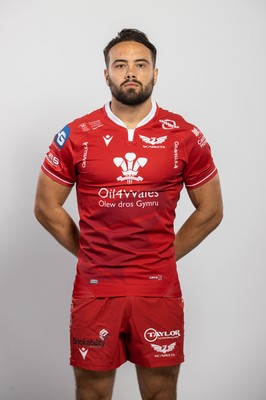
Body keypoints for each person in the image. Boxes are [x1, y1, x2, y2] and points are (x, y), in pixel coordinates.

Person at [34, 28, 223, 400]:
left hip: (157, 290)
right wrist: (90, 254)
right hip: (95, 288)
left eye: (141, 64)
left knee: (159, 393)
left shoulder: (184, 134)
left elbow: (211, 210)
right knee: (92, 393)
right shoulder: (76, 134)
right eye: (120, 65)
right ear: (107, 74)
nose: (131, 72)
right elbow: (46, 206)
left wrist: (163, 256)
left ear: (155, 73)